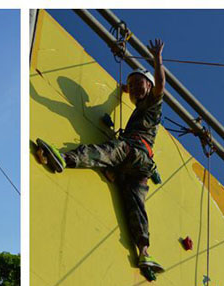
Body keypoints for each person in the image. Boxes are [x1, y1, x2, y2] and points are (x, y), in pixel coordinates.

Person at [35, 39, 166, 273]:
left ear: (149, 85)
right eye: (132, 86)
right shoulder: (142, 109)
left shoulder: (152, 105)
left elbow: (160, 86)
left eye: (139, 84)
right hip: (141, 168)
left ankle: (64, 159)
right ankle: (144, 252)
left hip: (134, 151)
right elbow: (134, 92)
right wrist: (125, 89)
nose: (134, 89)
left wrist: (157, 59)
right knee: (135, 205)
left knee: (103, 152)